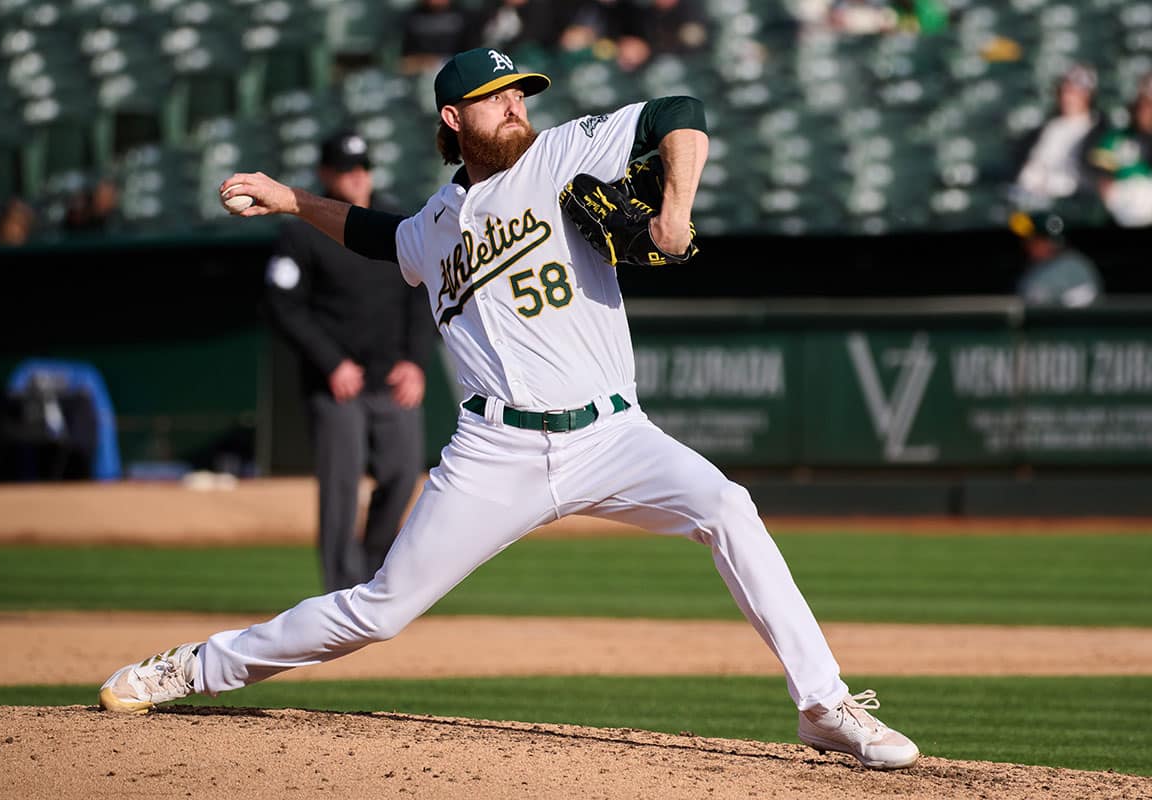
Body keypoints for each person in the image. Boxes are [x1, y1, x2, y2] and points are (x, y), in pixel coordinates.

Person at [98, 46, 921, 772]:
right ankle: (192, 668)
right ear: (454, 119)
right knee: (381, 610)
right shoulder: (434, 224)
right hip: (496, 452)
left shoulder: (562, 152)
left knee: (728, 507)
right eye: (499, 97)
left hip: (613, 434)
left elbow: (678, 113)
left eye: (521, 92)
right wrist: (292, 202)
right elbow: (378, 236)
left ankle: (824, 706)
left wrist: (676, 210)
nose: (516, 104)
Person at [265, 130, 435, 592]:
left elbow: (423, 295)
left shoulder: (396, 221)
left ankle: (374, 576)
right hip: (336, 383)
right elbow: (284, 304)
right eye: (346, 170)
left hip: (391, 376)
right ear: (325, 175)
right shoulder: (303, 229)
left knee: (402, 475)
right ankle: (340, 589)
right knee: (341, 486)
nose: (357, 178)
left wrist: (416, 362)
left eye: (362, 168)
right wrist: (330, 362)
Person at [1013, 64, 1104, 207]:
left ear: (1088, 95)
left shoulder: (1098, 128)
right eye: (1064, 91)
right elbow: (1036, 164)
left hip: (1076, 200)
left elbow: (1092, 175)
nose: (1067, 97)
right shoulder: (1051, 127)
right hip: (1039, 196)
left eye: (1074, 92)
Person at [1084, 72, 1152, 228]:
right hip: (1121, 204)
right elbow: (1100, 171)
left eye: (1149, 105)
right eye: (1142, 105)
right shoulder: (1117, 137)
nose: (1145, 111)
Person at [1008, 209, 1103, 308]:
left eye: (1032, 240)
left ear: (1050, 242)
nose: (1026, 245)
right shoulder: (1037, 267)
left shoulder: (1074, 270)